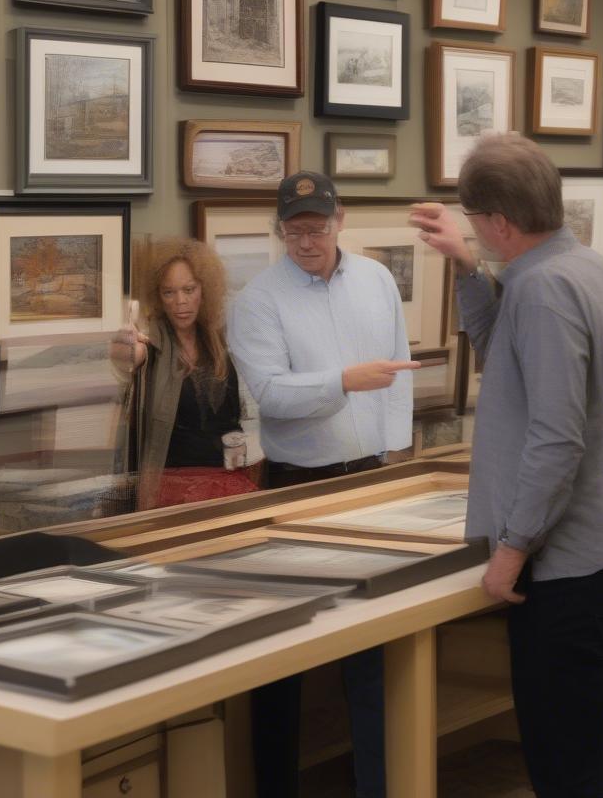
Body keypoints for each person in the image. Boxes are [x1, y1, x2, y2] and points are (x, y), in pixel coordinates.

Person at [409, 134, 603, 798]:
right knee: (583, 761)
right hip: (596, 564)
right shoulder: (578, 265)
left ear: (499, 222)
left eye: (476, 226)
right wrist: (464, 268)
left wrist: (510, 549)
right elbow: (499, 346)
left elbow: (556, 438)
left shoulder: (542, 289)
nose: (476, 234)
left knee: (565, 771)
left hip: (565, 573)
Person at [228, 171, 419, 798]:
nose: (306, 240)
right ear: (279, 230)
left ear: (340, 220)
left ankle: (377, 785)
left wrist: (396, 453)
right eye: (293, 230)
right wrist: (341, 382)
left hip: (370, 482)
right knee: (281, 656)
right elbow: (268, 395)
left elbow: (398, 372)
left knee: (373, 649)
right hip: (295, 490)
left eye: (316, 226)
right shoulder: (258, 299)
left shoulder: (377, 280)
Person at [114, 238, 260, 511]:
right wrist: (127, 351)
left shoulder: (216, 341)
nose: (180, 302)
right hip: (171, 490)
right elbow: (131, 356)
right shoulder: (154, 341)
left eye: (189, 289)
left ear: (204, 289)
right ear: (158, 296)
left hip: (227, 482)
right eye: (169, 292)